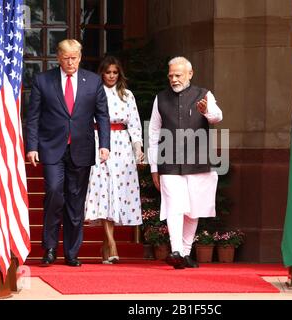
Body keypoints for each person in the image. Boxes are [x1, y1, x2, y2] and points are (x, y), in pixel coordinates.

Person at [26, 39, 110, 267]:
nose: (71, 62)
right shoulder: (43, 80)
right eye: (66, 58)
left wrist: (105, 144)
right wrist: (32, 147)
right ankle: (50, 248)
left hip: (81, 149)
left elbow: (102, 115)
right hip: (52, 147)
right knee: (54, 193)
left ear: (80, 57)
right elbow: (32, 116)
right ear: (58, 57)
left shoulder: (93, 81)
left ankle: (72, 252)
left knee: (75, 201)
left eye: (75, 57)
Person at [148, 56, 223, 269]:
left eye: (178, 75)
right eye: (171, 75)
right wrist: (154, 167)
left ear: (190, 74)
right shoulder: (160, 98)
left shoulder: (204, 95)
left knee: (194, 208)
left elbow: (217, 117)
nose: (174, 79)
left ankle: (185, 252)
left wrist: (206, 111)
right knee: (174, 205)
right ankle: (176, 250)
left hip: (198, 161)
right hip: (169, 161)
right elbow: (153, 132)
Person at [85, 56, 144, 264]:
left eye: (115, 72)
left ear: (119, 74)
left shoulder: (127, 94)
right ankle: (112, 243)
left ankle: (106, 243)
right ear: (101, 73)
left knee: (117, 191)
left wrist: (138, 148)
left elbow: (135, 122)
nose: (111, 76)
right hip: (99, 142)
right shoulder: (93, 91)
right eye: (108, 72)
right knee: (103, 190)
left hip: (122, 145)